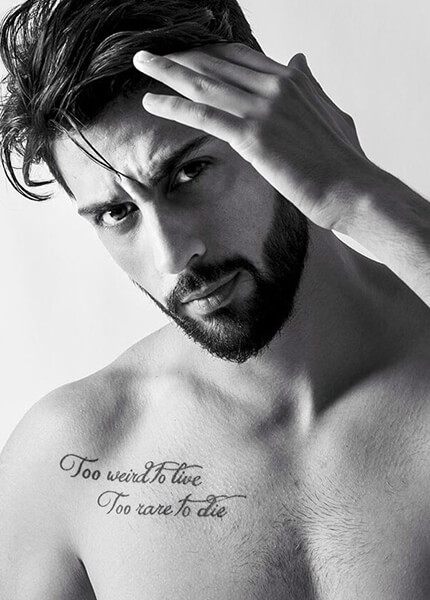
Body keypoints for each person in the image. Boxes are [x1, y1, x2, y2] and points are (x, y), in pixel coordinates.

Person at [0, 0, 429, 598]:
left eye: (189, 172)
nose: (172, 256)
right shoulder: (68, 460)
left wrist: (363, 197)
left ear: (289, 132)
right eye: (117, 214)